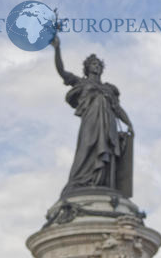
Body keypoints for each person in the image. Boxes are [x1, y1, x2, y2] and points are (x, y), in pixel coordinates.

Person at [51, 34, 134, 197]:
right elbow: (62, 71)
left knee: (107, 152)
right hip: (91, 121)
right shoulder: (82, 83)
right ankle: (80, 181)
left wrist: (129, 123)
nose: (96, 67)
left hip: (108, 123)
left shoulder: (109, 89)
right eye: (93, 64)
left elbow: (118, 109)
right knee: (87, 147)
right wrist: (57, 49)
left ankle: (102, 183)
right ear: (87, 67)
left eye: (98, 64)